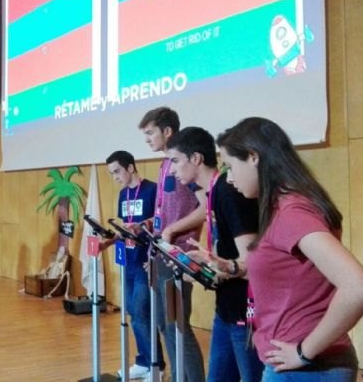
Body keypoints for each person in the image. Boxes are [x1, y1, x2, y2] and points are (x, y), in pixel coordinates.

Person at [216, 117, 363, 381]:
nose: (229, 178)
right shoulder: (288, 206)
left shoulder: (291, 212)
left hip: (306, 370)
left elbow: (360, 288)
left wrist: (304, 352)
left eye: (230, 166)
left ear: (253, 157)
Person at [166, 127, 263, 382]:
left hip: (246, 311)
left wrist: (220, 268)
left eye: (175, 161)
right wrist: (203, 266)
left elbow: (251, 264)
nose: (172, 170)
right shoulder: (213, 192)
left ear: (196, 158)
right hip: (226, 309)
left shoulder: (228, 191)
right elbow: (228, 256)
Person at [136, 107, 206, 382]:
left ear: (167, 131)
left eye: (151, 132)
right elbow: (164, 212)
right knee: (165, 325)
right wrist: (149, 229)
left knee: (179, 326)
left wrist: (173, 230)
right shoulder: (164, 165)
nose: (147, 139)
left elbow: (206, 206)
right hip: (160, 255)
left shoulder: (184, 166)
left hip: (180, 257)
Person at [97, 151, 165, 379]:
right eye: (111, 173)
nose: (115, 177)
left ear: (131, 167)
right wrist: (109, 241)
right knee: (133, 313)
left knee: (142, 312)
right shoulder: (123, 194)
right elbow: (125, 228)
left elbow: (159, 223)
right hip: (128, 261)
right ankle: (143, 361)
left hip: (146, 261)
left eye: (117, 171)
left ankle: (158, 365)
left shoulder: (152, 190)